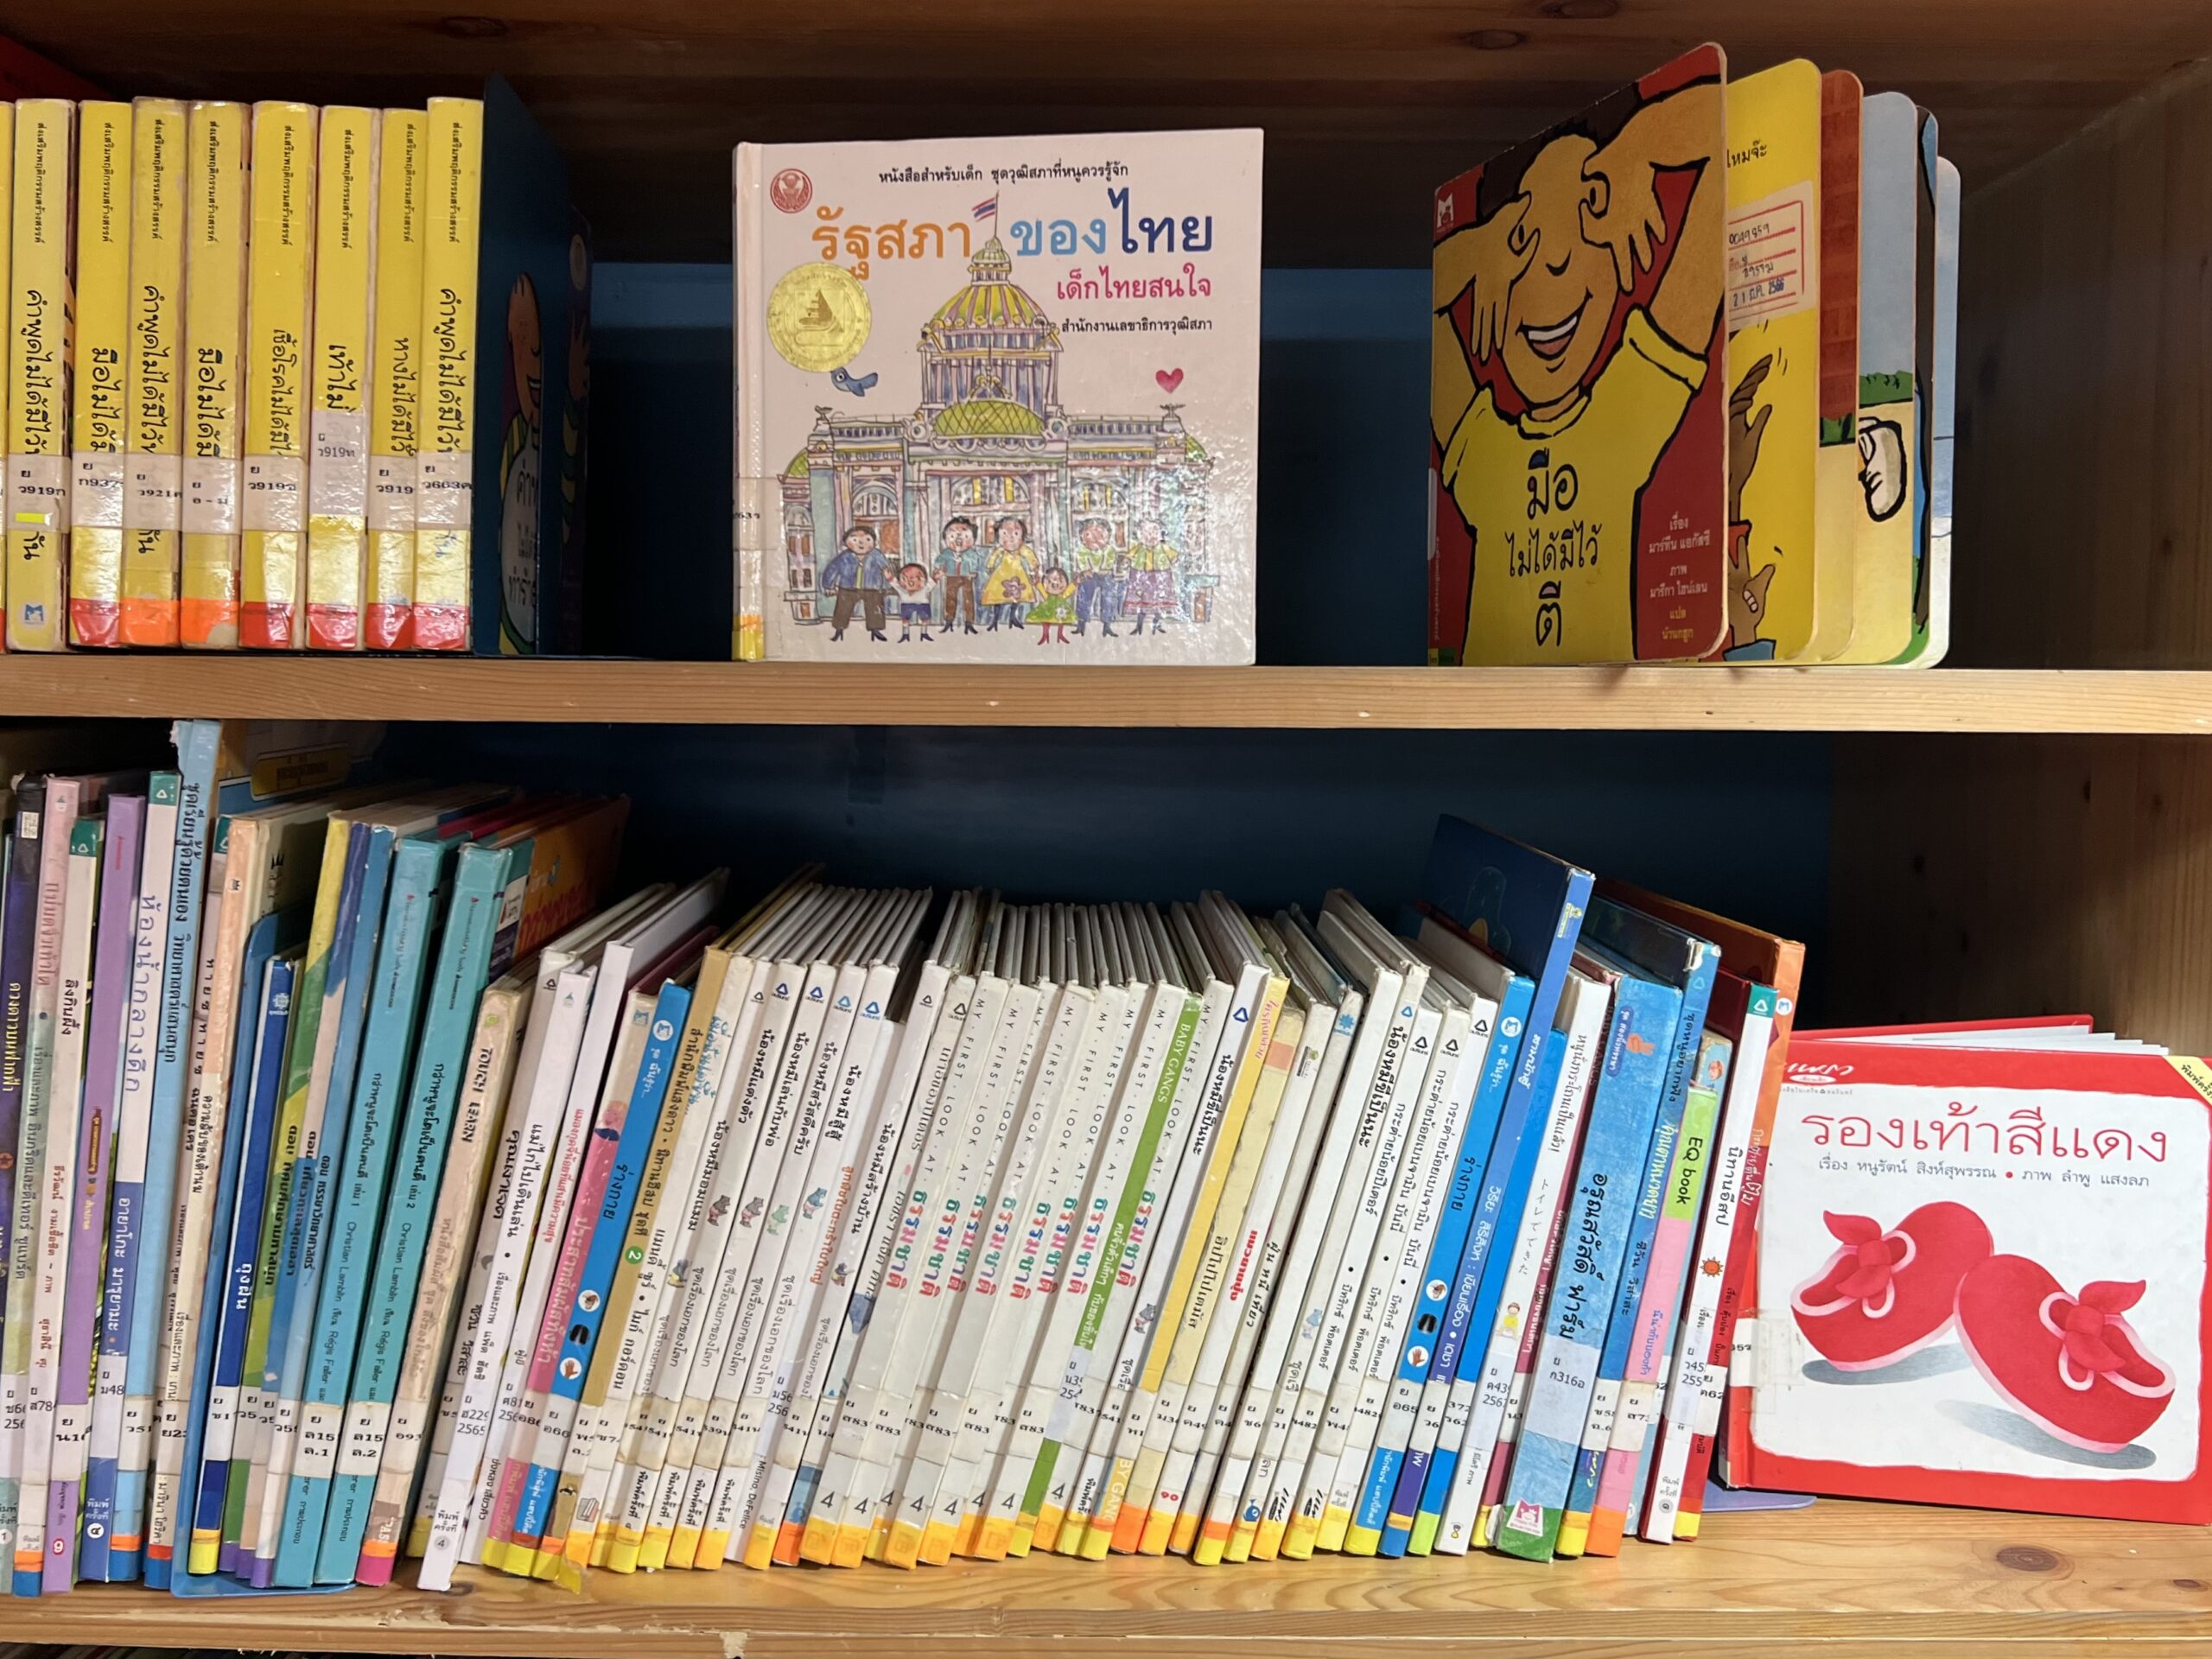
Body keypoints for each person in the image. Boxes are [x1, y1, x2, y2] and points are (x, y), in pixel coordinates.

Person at [1431, 73, 1725, 662]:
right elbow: (1438, 292)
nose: (1557, 261)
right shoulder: (1481, 448)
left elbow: (1725, 140)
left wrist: (1639, 148)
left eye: (1588, 213)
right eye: (1525, 239)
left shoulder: (1628, 405)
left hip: (1608, 703)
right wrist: (1479, 247)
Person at [822, 524, 890, 642]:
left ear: (874, 542)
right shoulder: (844, 557)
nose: (861, 543)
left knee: (875, 608)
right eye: (855, 540)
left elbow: (886, 571)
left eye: (867, 539)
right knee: (842, 608)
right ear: (846, 542)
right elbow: (832, 569)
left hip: (872, 587)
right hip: (848, 587)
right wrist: (828, 585)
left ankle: (875, 630)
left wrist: (885, 586)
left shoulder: (877, 555)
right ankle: (839, 630)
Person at [1124, 516, 1181, 634]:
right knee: (1142, 603)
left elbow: (1174, 556)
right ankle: (1139, 625)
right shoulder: (1139, 548)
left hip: (1160, 578)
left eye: (1155, 532)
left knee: (1158, 603)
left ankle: (1157, 624)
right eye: (1147, 532)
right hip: (1142, 578)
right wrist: (1127, 562)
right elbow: (1128, 556)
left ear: (1160, 534)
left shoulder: (1163, 547)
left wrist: (1173, 563)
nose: (1151, 536)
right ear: (1141, 534)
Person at [982, 515, 1038, 631]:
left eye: (1016, 534)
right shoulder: (1001, 550)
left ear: (1022, 537)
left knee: (1017, 596)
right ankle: (995, 620)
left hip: (1018, 575)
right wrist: (990, 566)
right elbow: (993, 558)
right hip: (1001, 575)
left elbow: (1031, 557)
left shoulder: (1022, 549)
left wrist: (1034, 568)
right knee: (997, 596)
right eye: (1005, 534)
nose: (1011, 537)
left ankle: (1013, 617)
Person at [932, 515, 983, 635]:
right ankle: (949, 621)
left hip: (967, 576)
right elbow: (938, 561)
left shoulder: (971, 553)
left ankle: (969, 623)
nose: (958, 539)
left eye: (965, 536)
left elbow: (975, 561)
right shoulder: (947, 553)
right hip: (951, 576)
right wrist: (939, 569)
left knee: (968, 599)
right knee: (950, 599)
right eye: (952, 536)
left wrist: (973, 571)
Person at [1071, 518, 1121, 637]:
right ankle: (1081, 623)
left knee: (1109, 595)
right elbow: (1082, 562)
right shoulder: (1082, 550)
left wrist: (1104, 569)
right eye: (1090, 535)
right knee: (1084, 594)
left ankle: (1107, 624)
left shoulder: (1109, 550)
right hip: (1089, 575)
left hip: (1105, 574)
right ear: (1082, 537)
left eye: (1100, 536)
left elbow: (1110, 561)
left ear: (1108, 538)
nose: (1095, 539)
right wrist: (1086, 570)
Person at [1028, 565, 1075, 645]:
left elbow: (1069, 591)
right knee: (1045, 620)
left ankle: (1060, 634)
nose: (1055, 584)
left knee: (1061, 620)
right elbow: (1042, 590)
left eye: (1060, 580)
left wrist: (1074, 584)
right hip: (1048, 609)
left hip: (1060, 610)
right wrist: (1037, 583)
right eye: (1049, 582)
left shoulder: (1062, 596)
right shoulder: (1048, 596)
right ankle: (1045, 635)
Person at [893, 562, 936, 642]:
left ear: (925, 580)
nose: (911, 581)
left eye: (918, 578)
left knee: (925, 619)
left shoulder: (924, 588)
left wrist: (936, 577)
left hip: (922, 604)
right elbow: (893, 583)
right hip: (906, 604)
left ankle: (924, 633)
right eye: (904, 578)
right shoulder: (901, 589)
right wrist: (888, 576)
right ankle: (905, 634)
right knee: (905, 619)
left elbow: (932, 583)